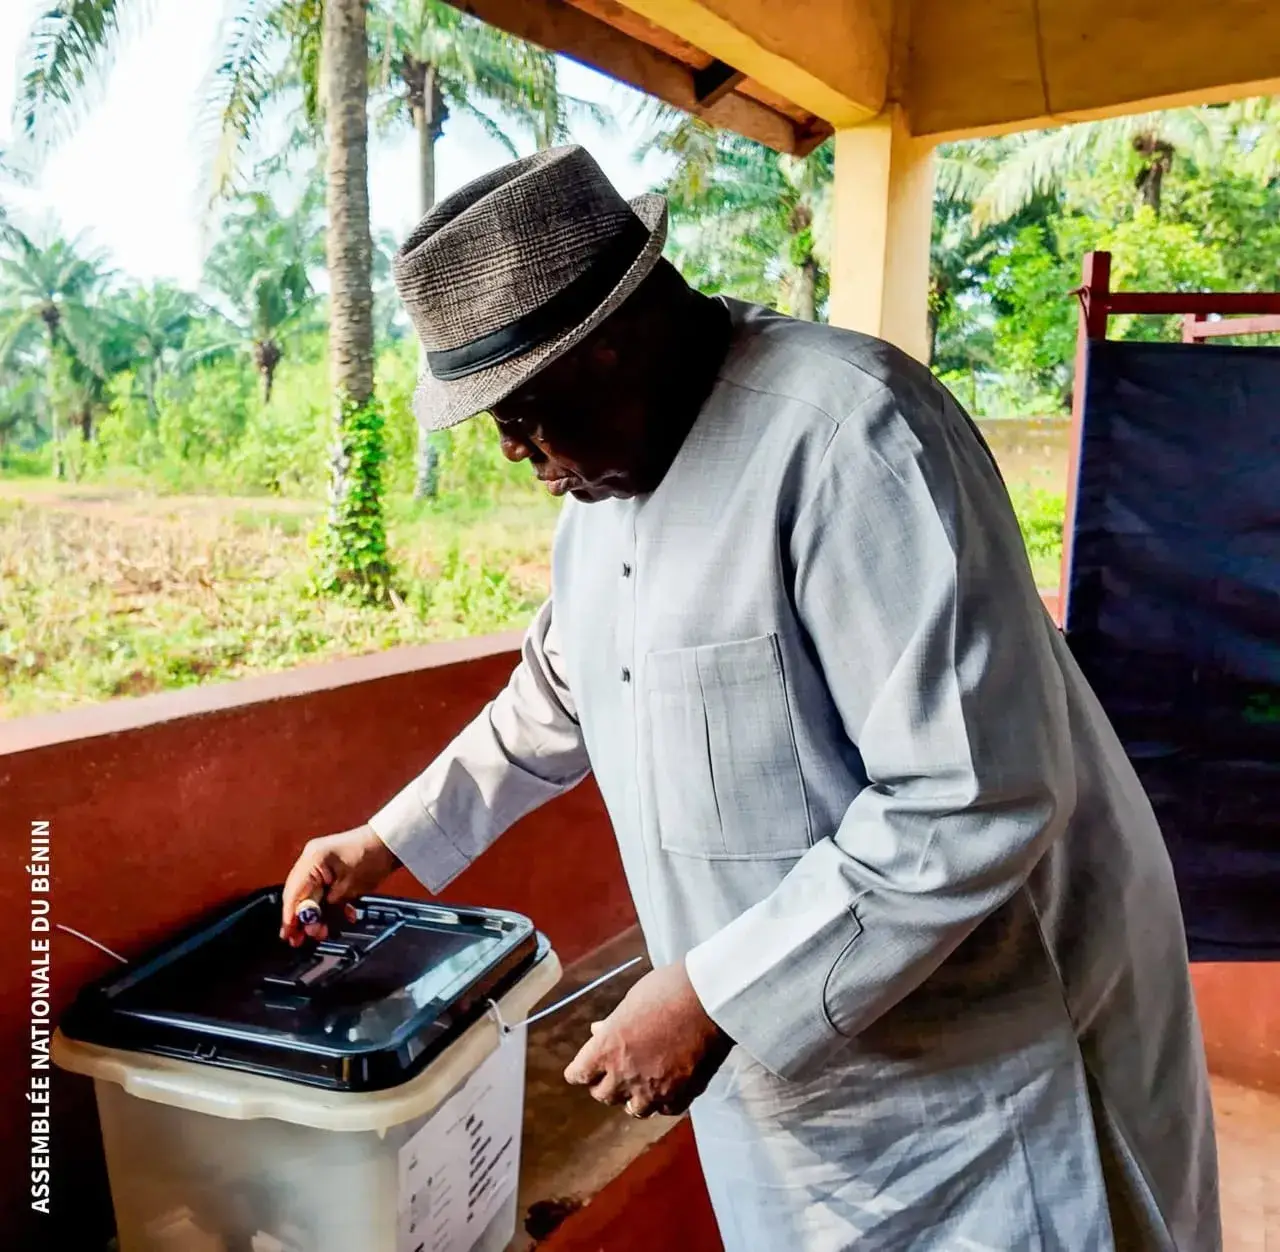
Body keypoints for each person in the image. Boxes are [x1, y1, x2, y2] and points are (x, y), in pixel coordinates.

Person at [280, 146, 1220, 1250]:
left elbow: (972, 795)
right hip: (799, 1094)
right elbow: (554, 696)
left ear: (614, 343)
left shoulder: (847, 438)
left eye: (523, 409)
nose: (513, 452)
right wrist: (381, 841)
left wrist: (715, 997)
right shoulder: (601, 497)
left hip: (986, 1093)